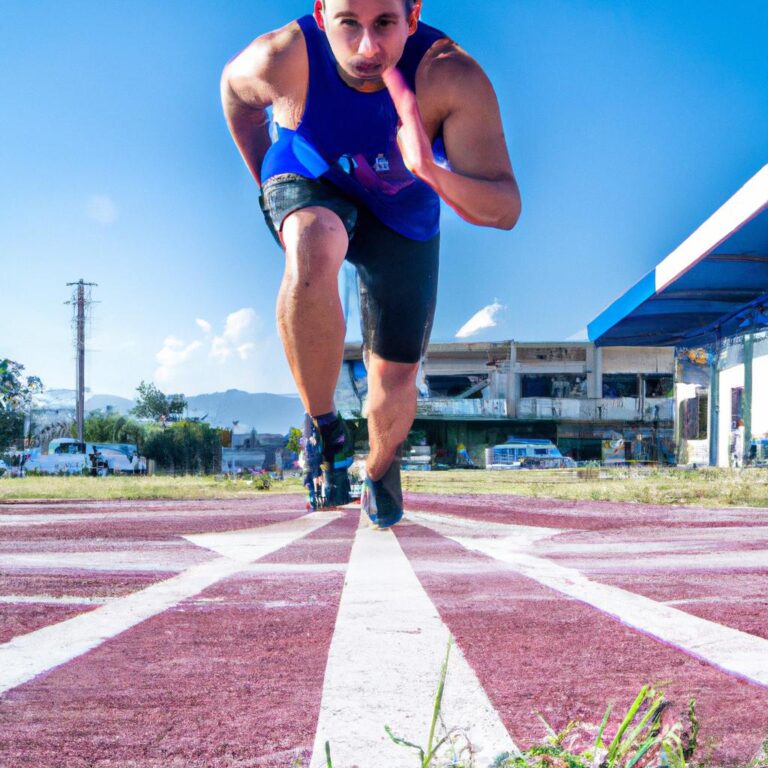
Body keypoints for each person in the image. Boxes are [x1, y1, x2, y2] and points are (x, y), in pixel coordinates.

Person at [221, 0, 520, 528]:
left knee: (393, 386)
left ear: (412, 14)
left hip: (404, 210)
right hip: (310, 174)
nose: (367, 48)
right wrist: (268, 187)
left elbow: (504, 209)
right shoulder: (281, 58)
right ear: (320, 14)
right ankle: (325, 429)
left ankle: (380, 467)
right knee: (312, 243)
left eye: (384, 24)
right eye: (349, 24)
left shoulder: (449, 76)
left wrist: (431, 170)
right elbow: (235, 95)